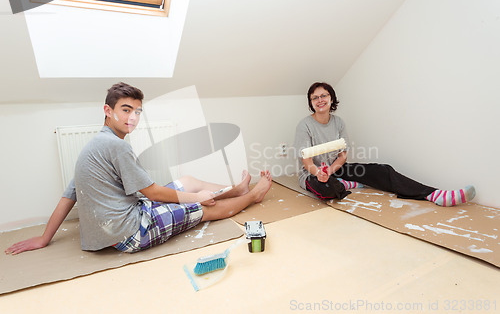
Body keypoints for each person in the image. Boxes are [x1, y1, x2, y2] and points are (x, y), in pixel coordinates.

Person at [6, 82, 272, 255]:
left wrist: (44, 238)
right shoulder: (116, 146)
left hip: (125, 215)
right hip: (131, 232)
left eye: (137, 111)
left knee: (188, 180)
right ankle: (252, 196)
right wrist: (196, 199)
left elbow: (68, 196)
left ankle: (237, 189)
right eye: (125, 109)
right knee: (204, 207)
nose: (132, 117)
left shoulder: (97, 143)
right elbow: (153, 193)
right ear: (107, 111)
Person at [294, 82, 475, 207]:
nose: (320, 100)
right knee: (328, 191)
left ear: (331, 98)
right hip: (313, 174)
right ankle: (342, 184)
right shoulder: (305, 125)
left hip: (335, 169)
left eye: (323, 95)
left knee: (383, 170)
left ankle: (435, 195)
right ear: (311, 103)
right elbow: (307, 162)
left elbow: (342, 156)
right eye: (315, 98)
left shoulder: (338, 122)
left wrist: (331, 171)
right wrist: (321, 174)